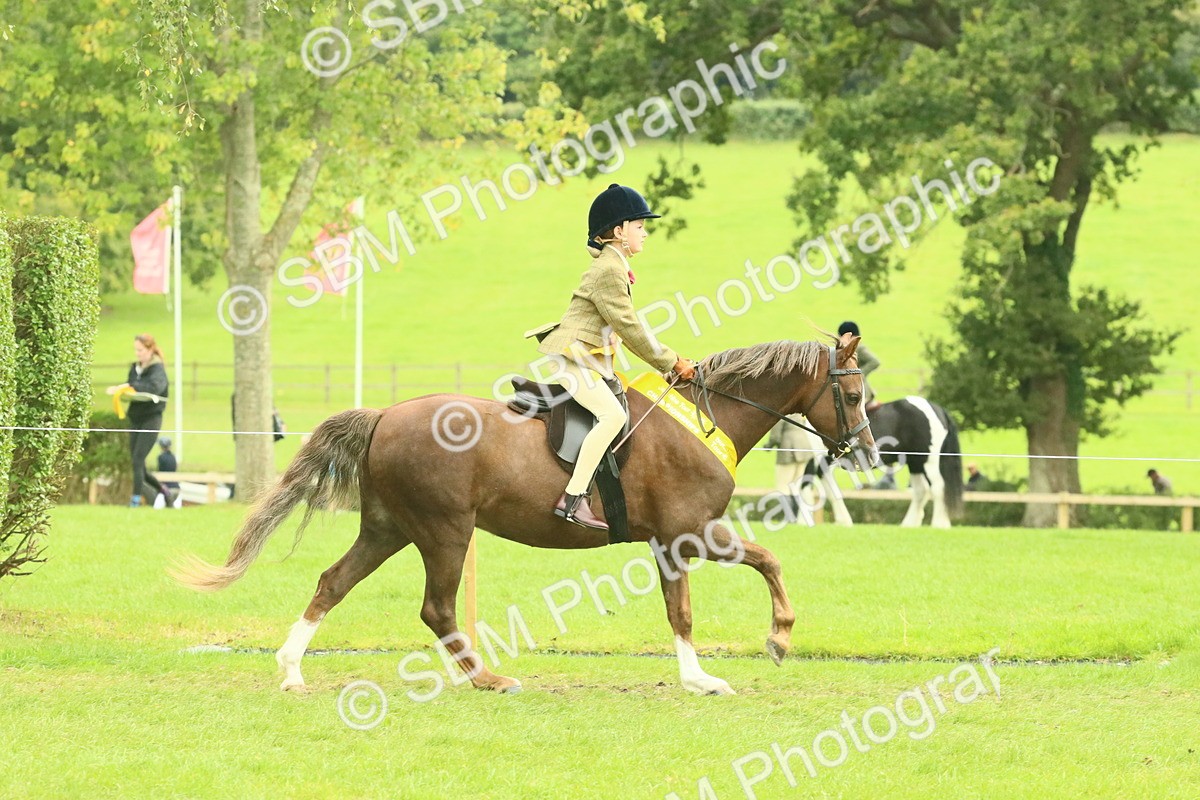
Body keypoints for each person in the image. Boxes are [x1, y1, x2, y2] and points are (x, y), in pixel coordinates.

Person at [529, 183, 695, 530]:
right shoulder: (609, 269)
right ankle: (573, 499)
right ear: (619, 231)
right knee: (612, 417)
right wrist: (671, 361)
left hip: (586, 359)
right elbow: (631, 327)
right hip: (572, 359)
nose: (645, 233)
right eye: (639, 226)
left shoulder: (613, 265)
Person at [105, 333, 172, 508]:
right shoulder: (134, 368)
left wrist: (130, 387)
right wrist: (122, 389)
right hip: (135, 418)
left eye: (140, 350)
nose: (138, 353)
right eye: (136, 350)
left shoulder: (158, 369)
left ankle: (135, 500)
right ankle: (164, 491)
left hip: (151, 418)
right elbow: (131, 385)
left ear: (150, 349)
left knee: (138, 459)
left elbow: (154, 387)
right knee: (137, 463)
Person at [766, 415, 810, 521]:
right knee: (795, 487)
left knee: (783, 487)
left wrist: (768, 446)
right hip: (803, 450)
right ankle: (793, 518)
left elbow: (775, 437)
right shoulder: (797, 413)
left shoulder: (781, 412)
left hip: (788, 451)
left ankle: (789, 518)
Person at [837, 321, 881, 411]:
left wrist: (859, 373)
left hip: (860, 389)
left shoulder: (859, 348)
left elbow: (875, 361)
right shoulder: (847, 349)